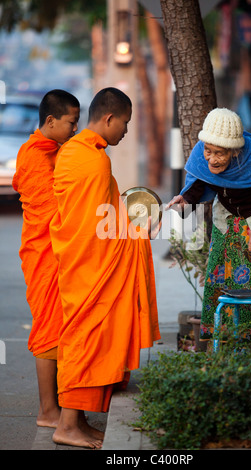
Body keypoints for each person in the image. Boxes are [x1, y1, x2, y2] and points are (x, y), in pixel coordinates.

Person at [49, 87, 161, 449]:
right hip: (91, 270)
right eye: (124, 123)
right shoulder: (94, 160)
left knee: (85, 341)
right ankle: (66, 427)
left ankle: (77, 421)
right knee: (89, 341)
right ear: (109, 119)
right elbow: (98, 228)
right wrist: (137, 232)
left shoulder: (76, 151)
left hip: (79, 264)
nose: (125, 131)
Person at [167, 107, 251, 346]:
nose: (212, 159)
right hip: (226, 221)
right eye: (208, 151)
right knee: (220, 282)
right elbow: (199, 184)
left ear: (236, 152)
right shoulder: (202, 155)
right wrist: (185, 199)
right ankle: (225, 342)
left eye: (220, 153)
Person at [12, 90, 80, 428]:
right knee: (48, 329)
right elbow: (54, 211)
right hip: (44, 253)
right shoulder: (36, 157)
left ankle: (62, 403)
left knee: (61, 327)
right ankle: (47, 412)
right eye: (71, 122)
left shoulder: (50, 150)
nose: (74, 129)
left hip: (54, 251)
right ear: (51, 121)